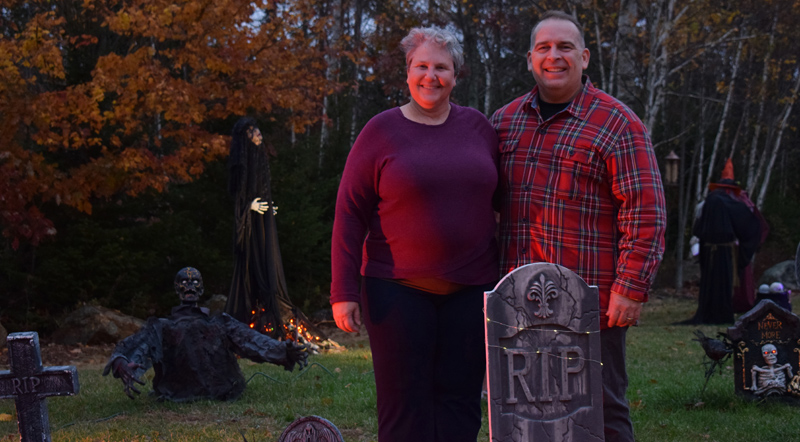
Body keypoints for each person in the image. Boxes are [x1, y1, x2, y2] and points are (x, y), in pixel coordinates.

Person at [489, 11, 666, 442]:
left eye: (565, 47)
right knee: (520, 412)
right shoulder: (503, 122)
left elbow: (646, 211)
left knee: (600, 411)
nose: (555, 56)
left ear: (584, 57)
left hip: (591, 305)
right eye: (544, 48)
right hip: (516, 306)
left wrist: (630, 287)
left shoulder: (617, 123)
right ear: (530, 58)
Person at [330, 26, 499, 442]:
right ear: (407, 74)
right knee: (405, 408)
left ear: (456, 75)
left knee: (460, 405)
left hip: (472, 292)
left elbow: (503, 204)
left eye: (441, 67)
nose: (431, 76)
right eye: (421, 66)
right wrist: (343, 291)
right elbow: (350, 212)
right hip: (396, 291)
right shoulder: (380, 132)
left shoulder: (479, 129)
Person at [104, 267, 308, 402]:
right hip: (177, 393)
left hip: (222, 390)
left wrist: (283, 351)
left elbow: (250, 340)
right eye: (184, 283)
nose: (190, 287)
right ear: (177, 289)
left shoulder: (220, 323)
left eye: (194, 283)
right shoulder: (162, 326)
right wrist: (122, 362)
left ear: (201, 289)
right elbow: (135, 346)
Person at [225, 117, 324, 342]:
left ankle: (271, 314)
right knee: (254, 259)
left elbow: (261, 188)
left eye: (256, 129)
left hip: (262, 220)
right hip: (251, 224)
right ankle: (253, 316)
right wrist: (248, 207)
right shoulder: (241, 163)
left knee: (267, 258)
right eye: (251, 132)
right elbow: (236, 194)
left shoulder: (260, 158)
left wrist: (269, 208)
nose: (258, 134)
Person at [686, 161, 764, 324]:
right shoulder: (730, 204)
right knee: (723, 283)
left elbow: (697, 229)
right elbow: (750, 225)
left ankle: (710, 312)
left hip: (709, 251)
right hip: (724, 251)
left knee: (711, 283)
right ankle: (720, 313)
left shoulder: (710, 202)